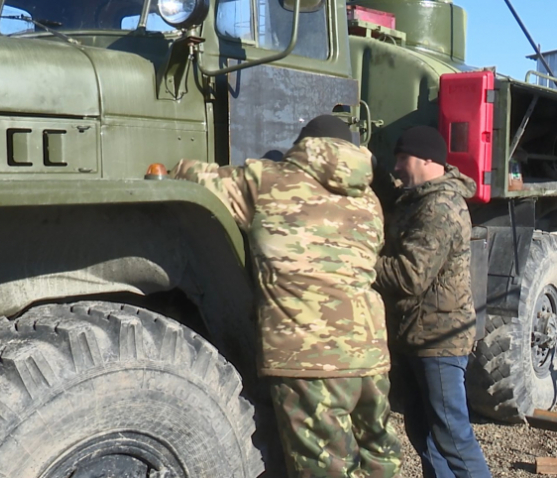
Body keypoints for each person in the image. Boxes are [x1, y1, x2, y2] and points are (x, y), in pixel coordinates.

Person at [172, 115, 402, 478]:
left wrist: (175, 166)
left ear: (303, 144)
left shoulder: (268, 180)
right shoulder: (369, 200)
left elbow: (195, 179)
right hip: (370, 355)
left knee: (325, 469)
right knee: (380, 460)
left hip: (309, 357)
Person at [375, 126, 492, 478]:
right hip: (416, 336)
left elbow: (410, 275)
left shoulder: (439, 206)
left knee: (452, 436)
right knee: (423, 433)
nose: (397, 167)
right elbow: (391, 188)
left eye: (402, 158)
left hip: (438, 342)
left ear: (428, 160)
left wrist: (356, 262)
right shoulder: (419, 198)